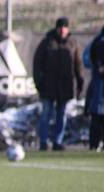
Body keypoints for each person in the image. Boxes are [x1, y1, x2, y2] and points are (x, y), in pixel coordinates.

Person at [33, 17, 84, 151]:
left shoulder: (72, 44)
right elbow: (37, 64)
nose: (62, 30)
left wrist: (80, 82)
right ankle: (43, 142)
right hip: (49, 86)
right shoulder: (47, 43)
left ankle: (57, 141)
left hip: (65, 86)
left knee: (61, 115)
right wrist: (39, 83)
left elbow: (78, 65)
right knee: (46, 114)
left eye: (65, 27)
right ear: (56, 28)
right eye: (60, 27)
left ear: (68, 29)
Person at [85, 26, 104, 152]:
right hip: (99, 83)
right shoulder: (99, 41)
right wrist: (99, 66)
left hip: (98, 83)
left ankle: (94, 144)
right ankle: (94, 144)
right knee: (97, 114)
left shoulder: (97, 40)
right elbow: (89, 59)